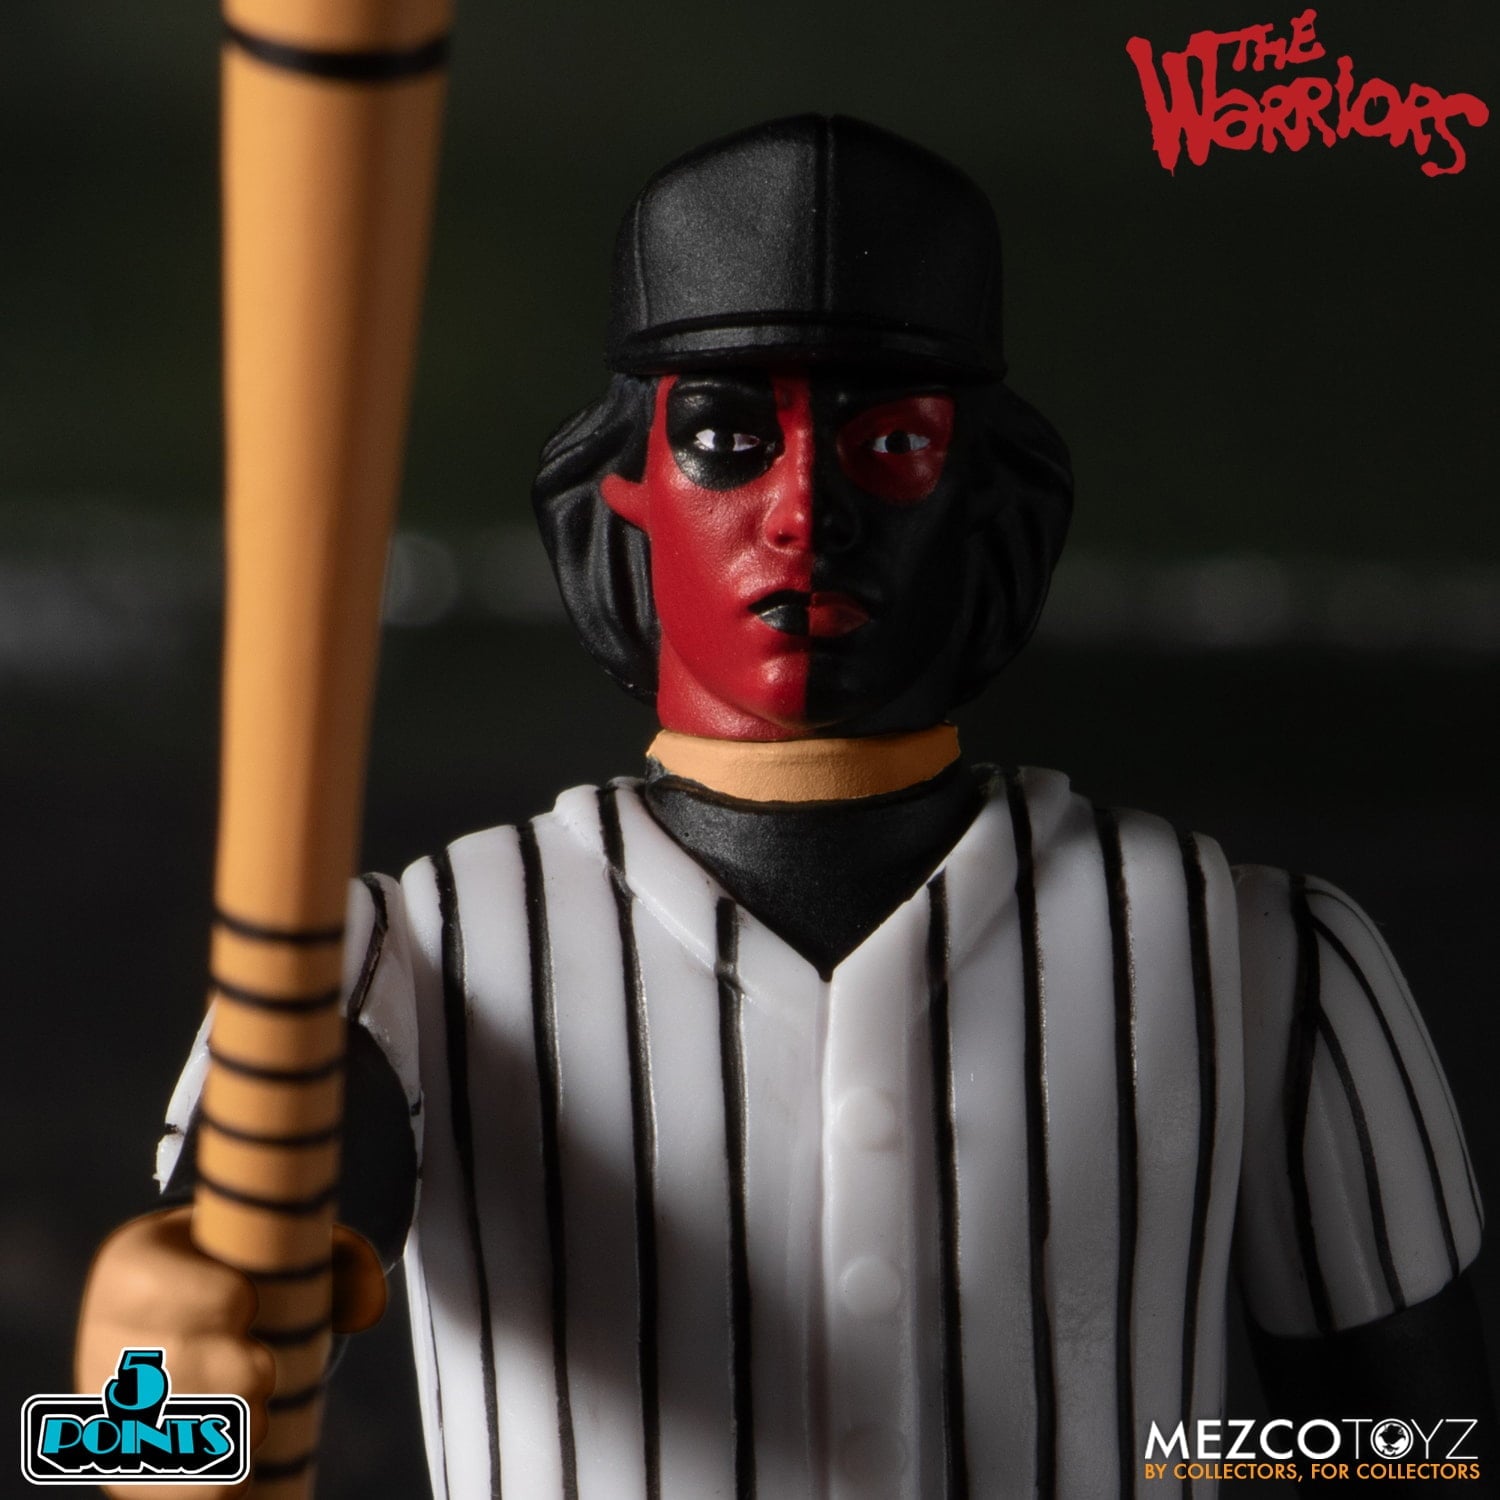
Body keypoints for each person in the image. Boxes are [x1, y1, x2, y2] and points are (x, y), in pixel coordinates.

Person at [78, 115, 1492, 1498]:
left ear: (991, 497)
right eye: (724, 436)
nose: (808, 512)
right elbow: (170, 1396)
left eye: (893, 444)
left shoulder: (1261, 958)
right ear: (620, 490)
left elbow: (1423, 1449)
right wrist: (158, 1394)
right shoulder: (415, 958)